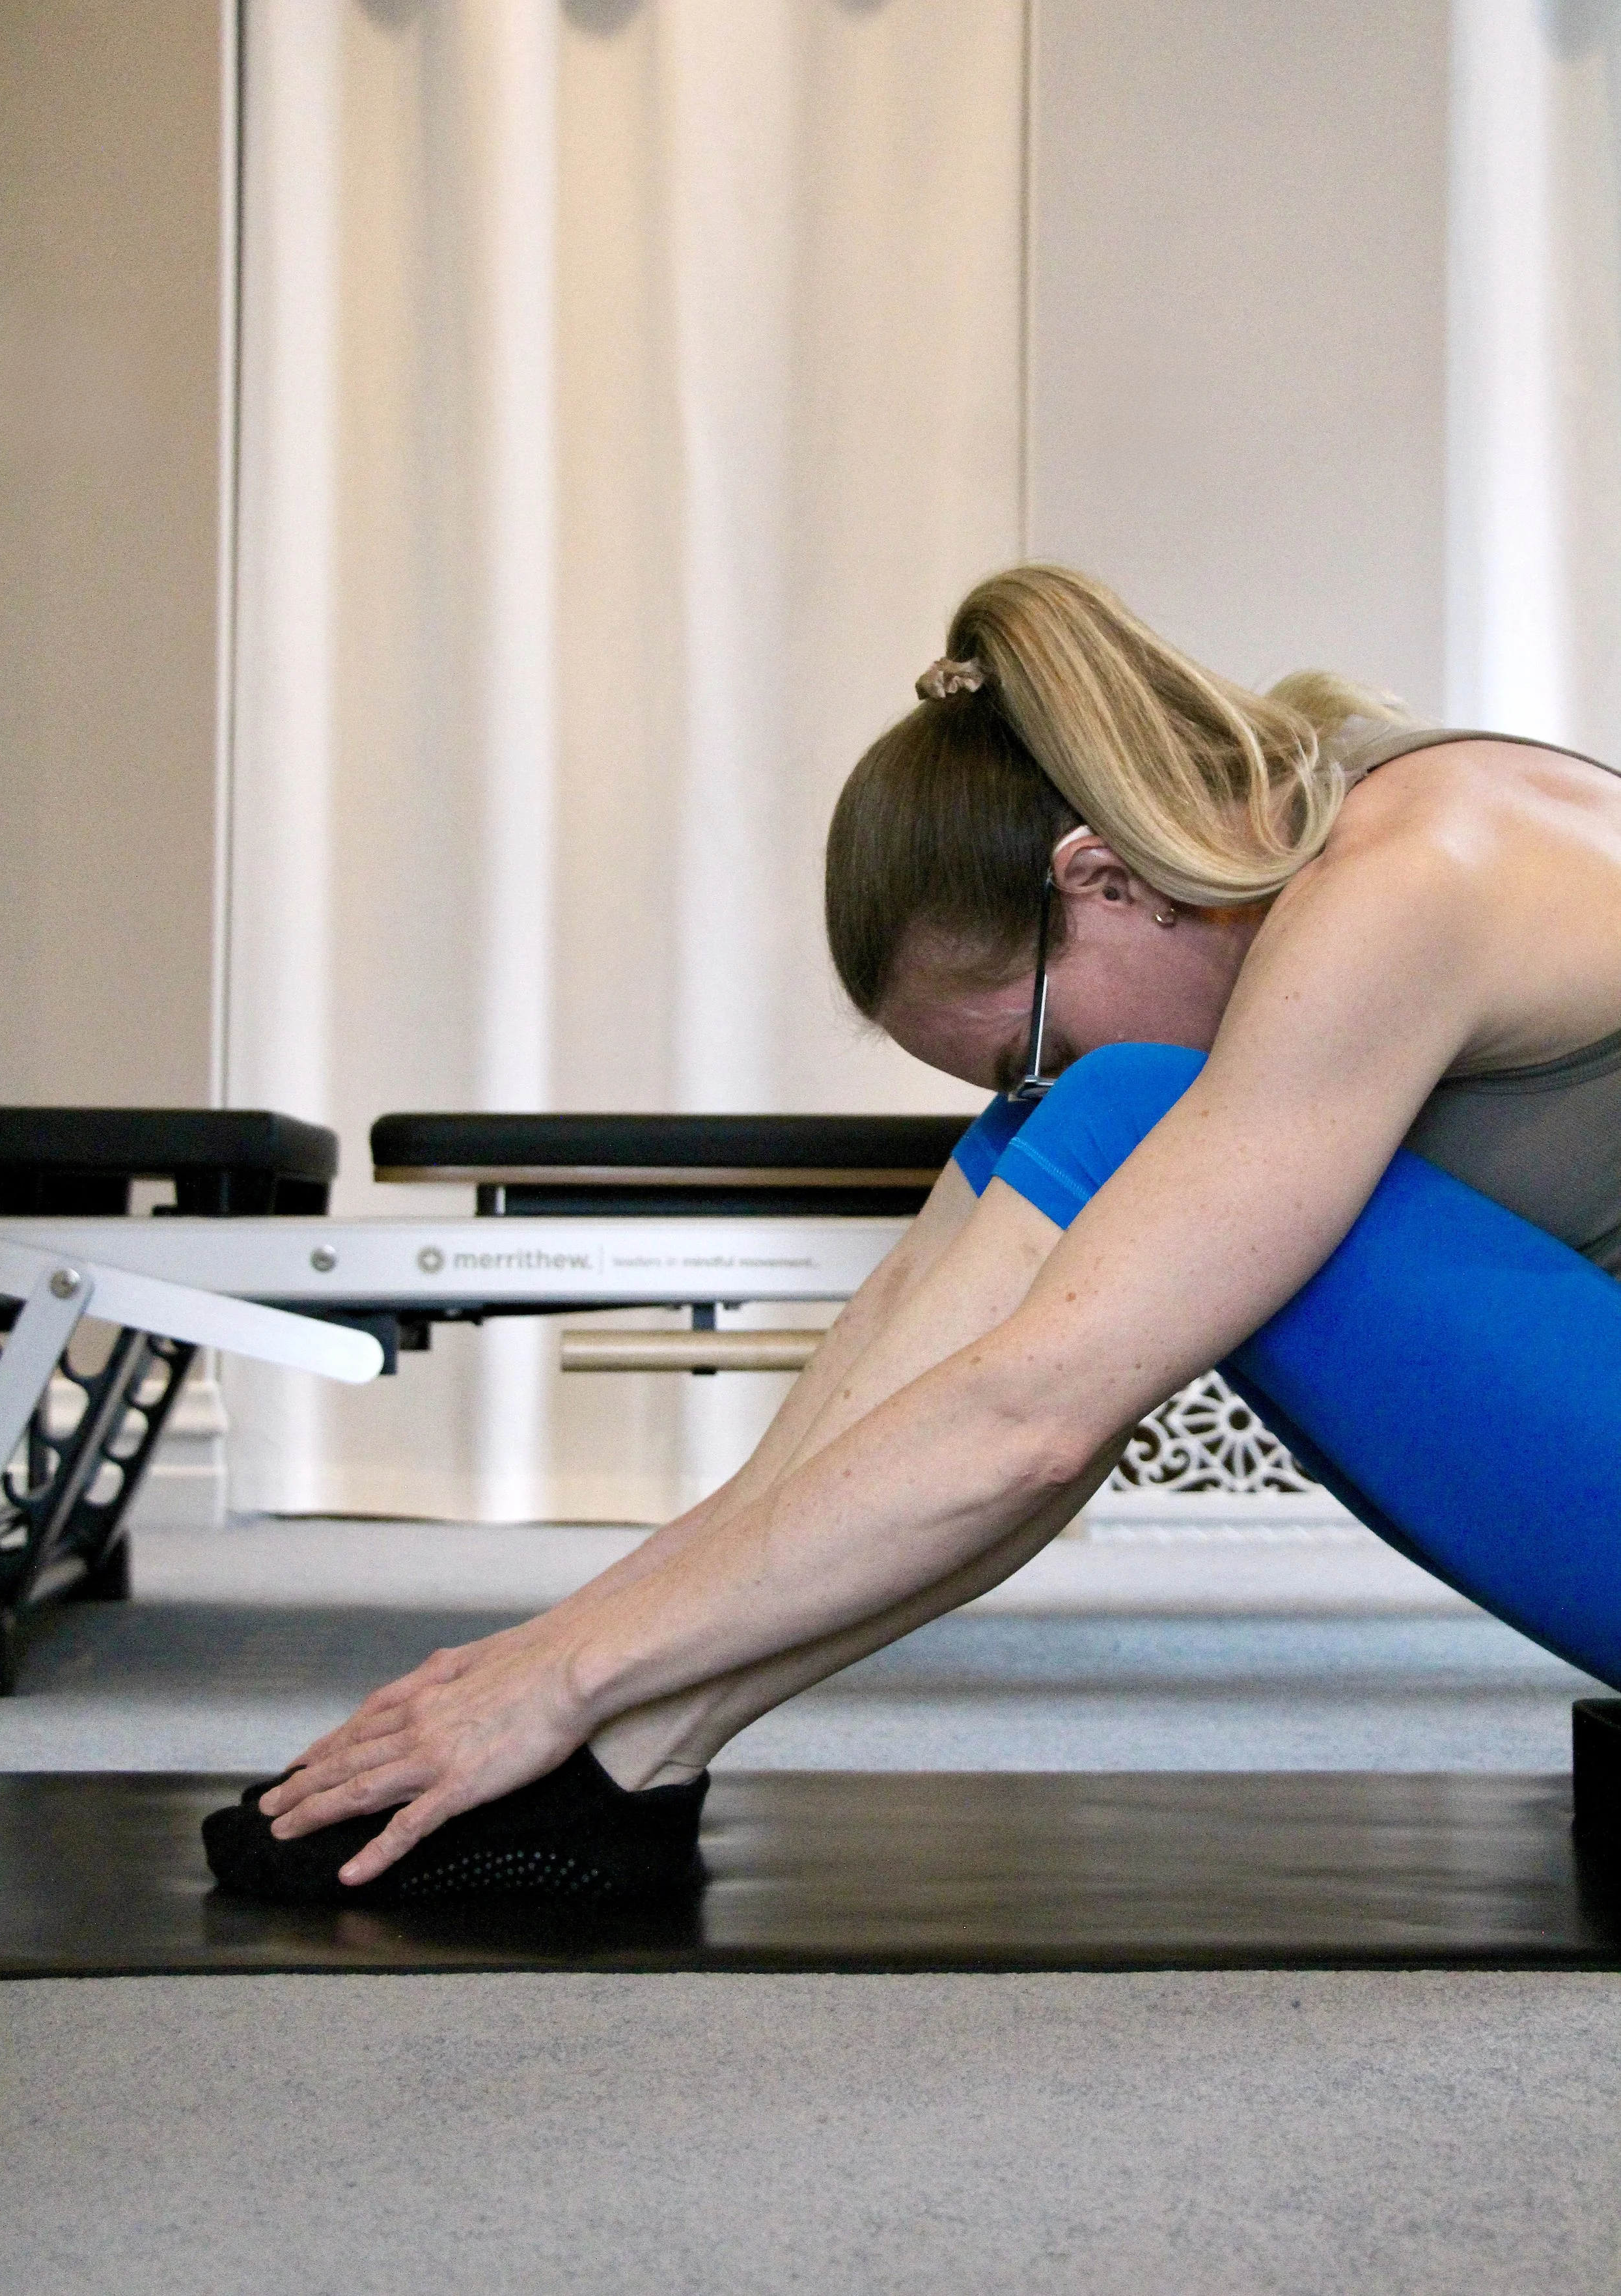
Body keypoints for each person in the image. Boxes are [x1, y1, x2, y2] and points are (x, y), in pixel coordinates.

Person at [205, 562, 1621, 1905]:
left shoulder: (1406, 878)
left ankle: (605, 1740)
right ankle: (627, 1756)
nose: (1039, 1081)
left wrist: (557, 1669)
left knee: (1123, 1115)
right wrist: (573, 1642)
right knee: (1076, 1133)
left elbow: (1035, 1416)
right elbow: (935, 1336)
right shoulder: (1339, 793)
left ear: (1099, 880)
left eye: (1027, 1040)